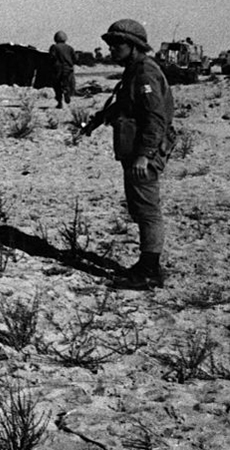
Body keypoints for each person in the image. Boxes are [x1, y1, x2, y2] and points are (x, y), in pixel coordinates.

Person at [81, 19, 175, 290]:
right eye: (110, 44)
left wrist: (144, 155)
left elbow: (155, 118)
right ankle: (147, 263)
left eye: (116, 44)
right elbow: (123, 107)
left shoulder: (144, 73)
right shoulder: (133, 71)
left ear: (133, 46)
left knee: (147, 209)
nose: (111, 49)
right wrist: (94, 124)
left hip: (142, 153)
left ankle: (149, 270)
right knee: (139, 207)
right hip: (134, 151)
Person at [49, 30, 75, 108]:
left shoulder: (54, 47)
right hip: (68, 69)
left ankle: (59, 101)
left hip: (57, 69)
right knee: (67, 83)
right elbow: (75, 58)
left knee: (57, 85)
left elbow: (52, 57)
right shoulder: (70, 48)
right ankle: (67, 92)